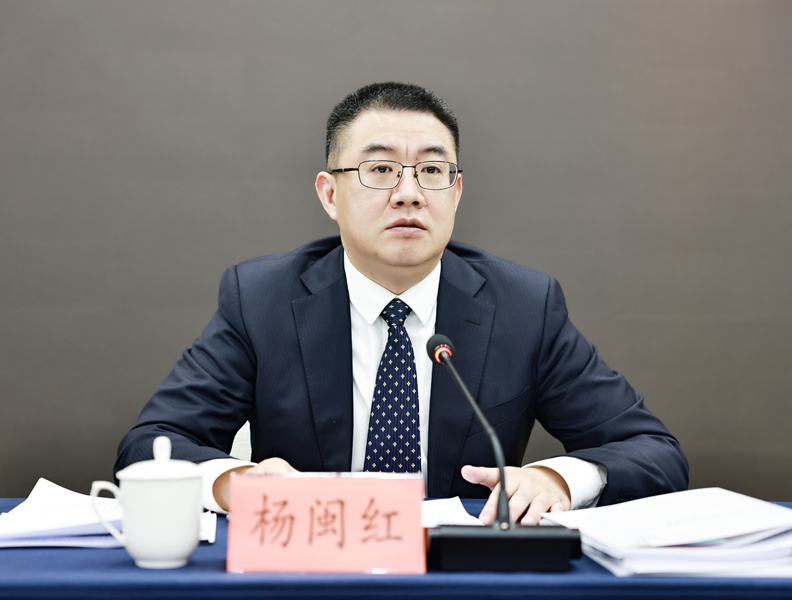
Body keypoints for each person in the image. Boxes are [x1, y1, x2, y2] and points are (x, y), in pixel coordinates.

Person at [115, 82, 688, 525]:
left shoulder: (524, 307)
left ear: (455, 192)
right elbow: (150, 446)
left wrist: (558, 480)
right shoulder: (262, 299)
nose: (409, 193)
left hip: (460, 579)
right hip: (310, 571)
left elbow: (654, 451)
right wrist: (235, 484)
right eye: (381, 170)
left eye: (432, 171)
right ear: (330, 194)